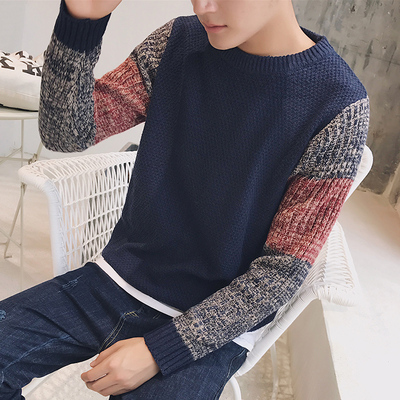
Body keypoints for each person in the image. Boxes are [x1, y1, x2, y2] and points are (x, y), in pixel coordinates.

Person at [0, 0, 369, 398]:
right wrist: (82, 23)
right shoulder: (178, 41)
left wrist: (161, 351)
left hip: (214, 324)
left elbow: (281, 272)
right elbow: (65, 134)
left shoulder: (339, 104)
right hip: (114, 280)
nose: (204, 6)